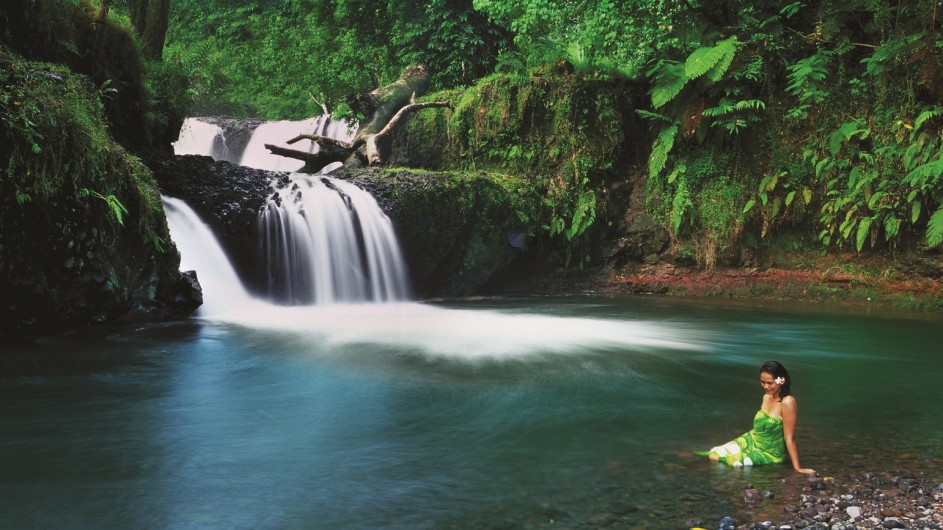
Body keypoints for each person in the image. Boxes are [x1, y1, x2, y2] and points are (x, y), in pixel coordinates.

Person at [706, 361, 815, 474]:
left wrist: (797, 468)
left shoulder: (787, 402)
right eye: (763, 382)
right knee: (715, 453)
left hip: (769, 452)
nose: (766, 386)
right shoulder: (766, 397)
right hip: (752, 439)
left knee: (726, 461)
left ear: (781, 380)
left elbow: (790, 438)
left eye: (770, 383)